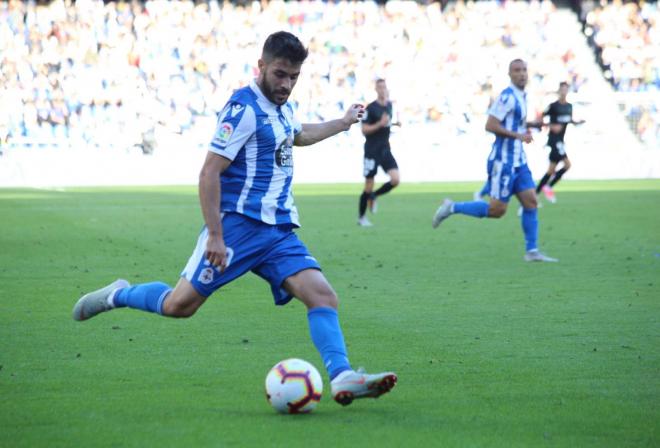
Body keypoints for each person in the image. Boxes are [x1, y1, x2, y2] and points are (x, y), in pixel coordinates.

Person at [72, 31, 397, 406]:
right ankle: (118, 294)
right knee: (179, 306)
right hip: (238, 228)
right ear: (260, 66)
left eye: (293, 77)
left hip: (278, 231)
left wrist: (341, 123)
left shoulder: (283, 106)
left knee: (322, 295)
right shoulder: (243, 109)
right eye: (279, 74)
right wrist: (215, 235)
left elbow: (298, 134)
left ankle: (342, 377)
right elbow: (209, 172)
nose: (286, 84)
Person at [432, 59, 558, 263]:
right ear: (510, 74)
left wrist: (533, 124)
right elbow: (490, 125)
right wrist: (518, 136)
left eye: (524, 70)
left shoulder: (522, 96)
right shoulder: (507, 97)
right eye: (517, 71)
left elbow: (514, 122)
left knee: (531, 202)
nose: (522, 74)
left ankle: (532, 251)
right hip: (503, 161)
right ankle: (452, 207)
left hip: (519, 161)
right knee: (496, 210)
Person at [357, 79, 401, 227]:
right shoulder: (370, 108)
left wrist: (394, 124)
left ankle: (374, 196)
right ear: (376, 89)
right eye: (380, 87)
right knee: (369, 184)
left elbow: (386, 123)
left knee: (395, 179)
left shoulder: (389, 105)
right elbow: (364, 130)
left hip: (385, 149)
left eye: (384, 87)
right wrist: (379, 124)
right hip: (371, 150)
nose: (382, 90)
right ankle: (361, 218)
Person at [536, 82, 585, 203]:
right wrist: (550, 126)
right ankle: (548, 187)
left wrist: (577, 122)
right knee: (567, 165)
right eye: (562, 89)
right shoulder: (553, 106)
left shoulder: (569, 107)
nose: (563, 92)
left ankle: (535, 194)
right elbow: (541, 117)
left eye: (566, 90)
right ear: (559, 91)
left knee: (550, 170)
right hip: (554, 140)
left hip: (561, 140)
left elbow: (568, 120)